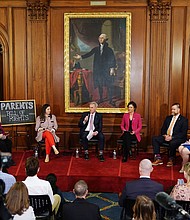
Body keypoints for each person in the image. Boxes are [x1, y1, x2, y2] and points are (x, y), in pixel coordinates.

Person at [74, 33, 116, 106]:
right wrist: (80, 57)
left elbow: (113, 59)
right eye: (99, 38)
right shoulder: (96, 49)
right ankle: (101, 98)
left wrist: (112, 68)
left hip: (106, 70)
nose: (100, 39)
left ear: (105, 40)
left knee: (108, 85)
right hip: (98, 70)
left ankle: (110, 100)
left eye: (102, 38)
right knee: (99, 84)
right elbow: (89, 54)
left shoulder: (109, 50)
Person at [152, 103, 188, 167]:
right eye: (172, 109)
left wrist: (172, 137)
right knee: (155, 139)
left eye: (174, 109)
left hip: (176, 138)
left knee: (173, 142)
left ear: (179, 110)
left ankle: (171, 159)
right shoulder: (168, 118)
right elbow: (163, 129)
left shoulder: (183, 120)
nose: (172, 111)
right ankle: (158, 158)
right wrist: (165, 135)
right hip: (167, 136)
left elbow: (183, 133)